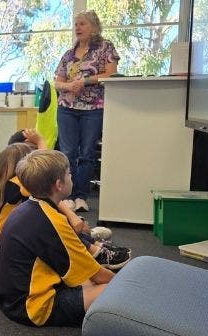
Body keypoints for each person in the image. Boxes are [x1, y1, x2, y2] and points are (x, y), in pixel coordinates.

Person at [0, 150, 114, 327]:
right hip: (32, 308)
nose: (71, 176)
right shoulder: (52, 221)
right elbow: (98, 275)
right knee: (115, 289)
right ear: (59, 184)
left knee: (89, 281)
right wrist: (128, 284)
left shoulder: (31, 206)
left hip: (11, 299)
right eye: (69, 173)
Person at [54, 9, 119, 212]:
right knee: (68, 153)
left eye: (82, 24)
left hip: (93, 108)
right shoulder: (69, 54)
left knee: (88, 153)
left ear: (94, 27)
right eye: (76, 24)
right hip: (67, 108)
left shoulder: (105, 47)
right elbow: (57, 82)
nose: (77, 28)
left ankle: (81, 196)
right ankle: (68, 195)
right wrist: (69, 86)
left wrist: (86, 81)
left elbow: (111, 75)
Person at [0, 143, 35, 260]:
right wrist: (41, 142)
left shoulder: (6, 183)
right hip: (3, 248)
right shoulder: (18, 183)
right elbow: (46, 178)